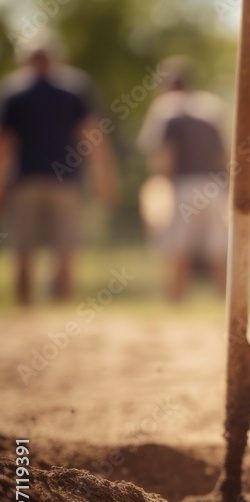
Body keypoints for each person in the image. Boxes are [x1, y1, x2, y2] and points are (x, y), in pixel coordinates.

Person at [0, 33, 117, 305]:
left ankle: (26, 309)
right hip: (65, 179)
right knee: (65, 248)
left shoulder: (14, 92)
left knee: (24, 248)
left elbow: (4, 145)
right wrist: (103, 178)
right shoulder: (74, 89)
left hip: (25, 180)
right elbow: (93, 135)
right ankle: (61, 314)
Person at [138, 56, 229, 301]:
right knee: (218, 250)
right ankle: (227, 305)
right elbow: (224, 156)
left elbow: (165, 155)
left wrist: (159, 189)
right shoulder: (211, 107)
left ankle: (176, 304)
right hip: (214, 187)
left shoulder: (167, 107)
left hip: (182, 186)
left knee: (178, 250)